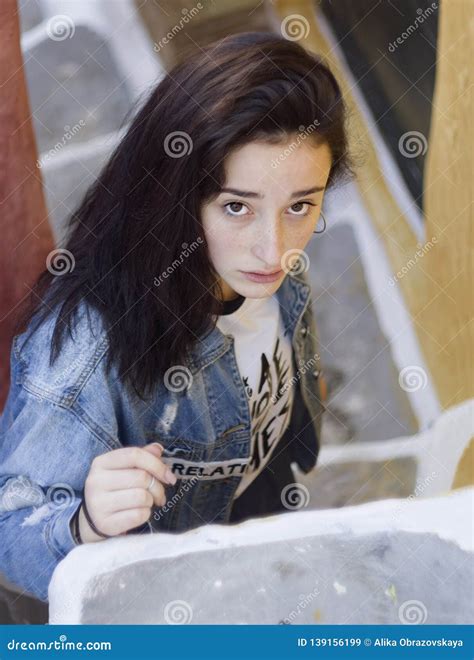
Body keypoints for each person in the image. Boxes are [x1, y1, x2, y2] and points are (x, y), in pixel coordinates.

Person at [0, 31, 353, 602]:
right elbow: (8, 535)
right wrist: (85, 523)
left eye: (301, 205)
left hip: (254, 527)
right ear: (176, 195)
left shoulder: (268, 267)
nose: (275, 248)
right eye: (236, 206)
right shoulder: (85, 350)